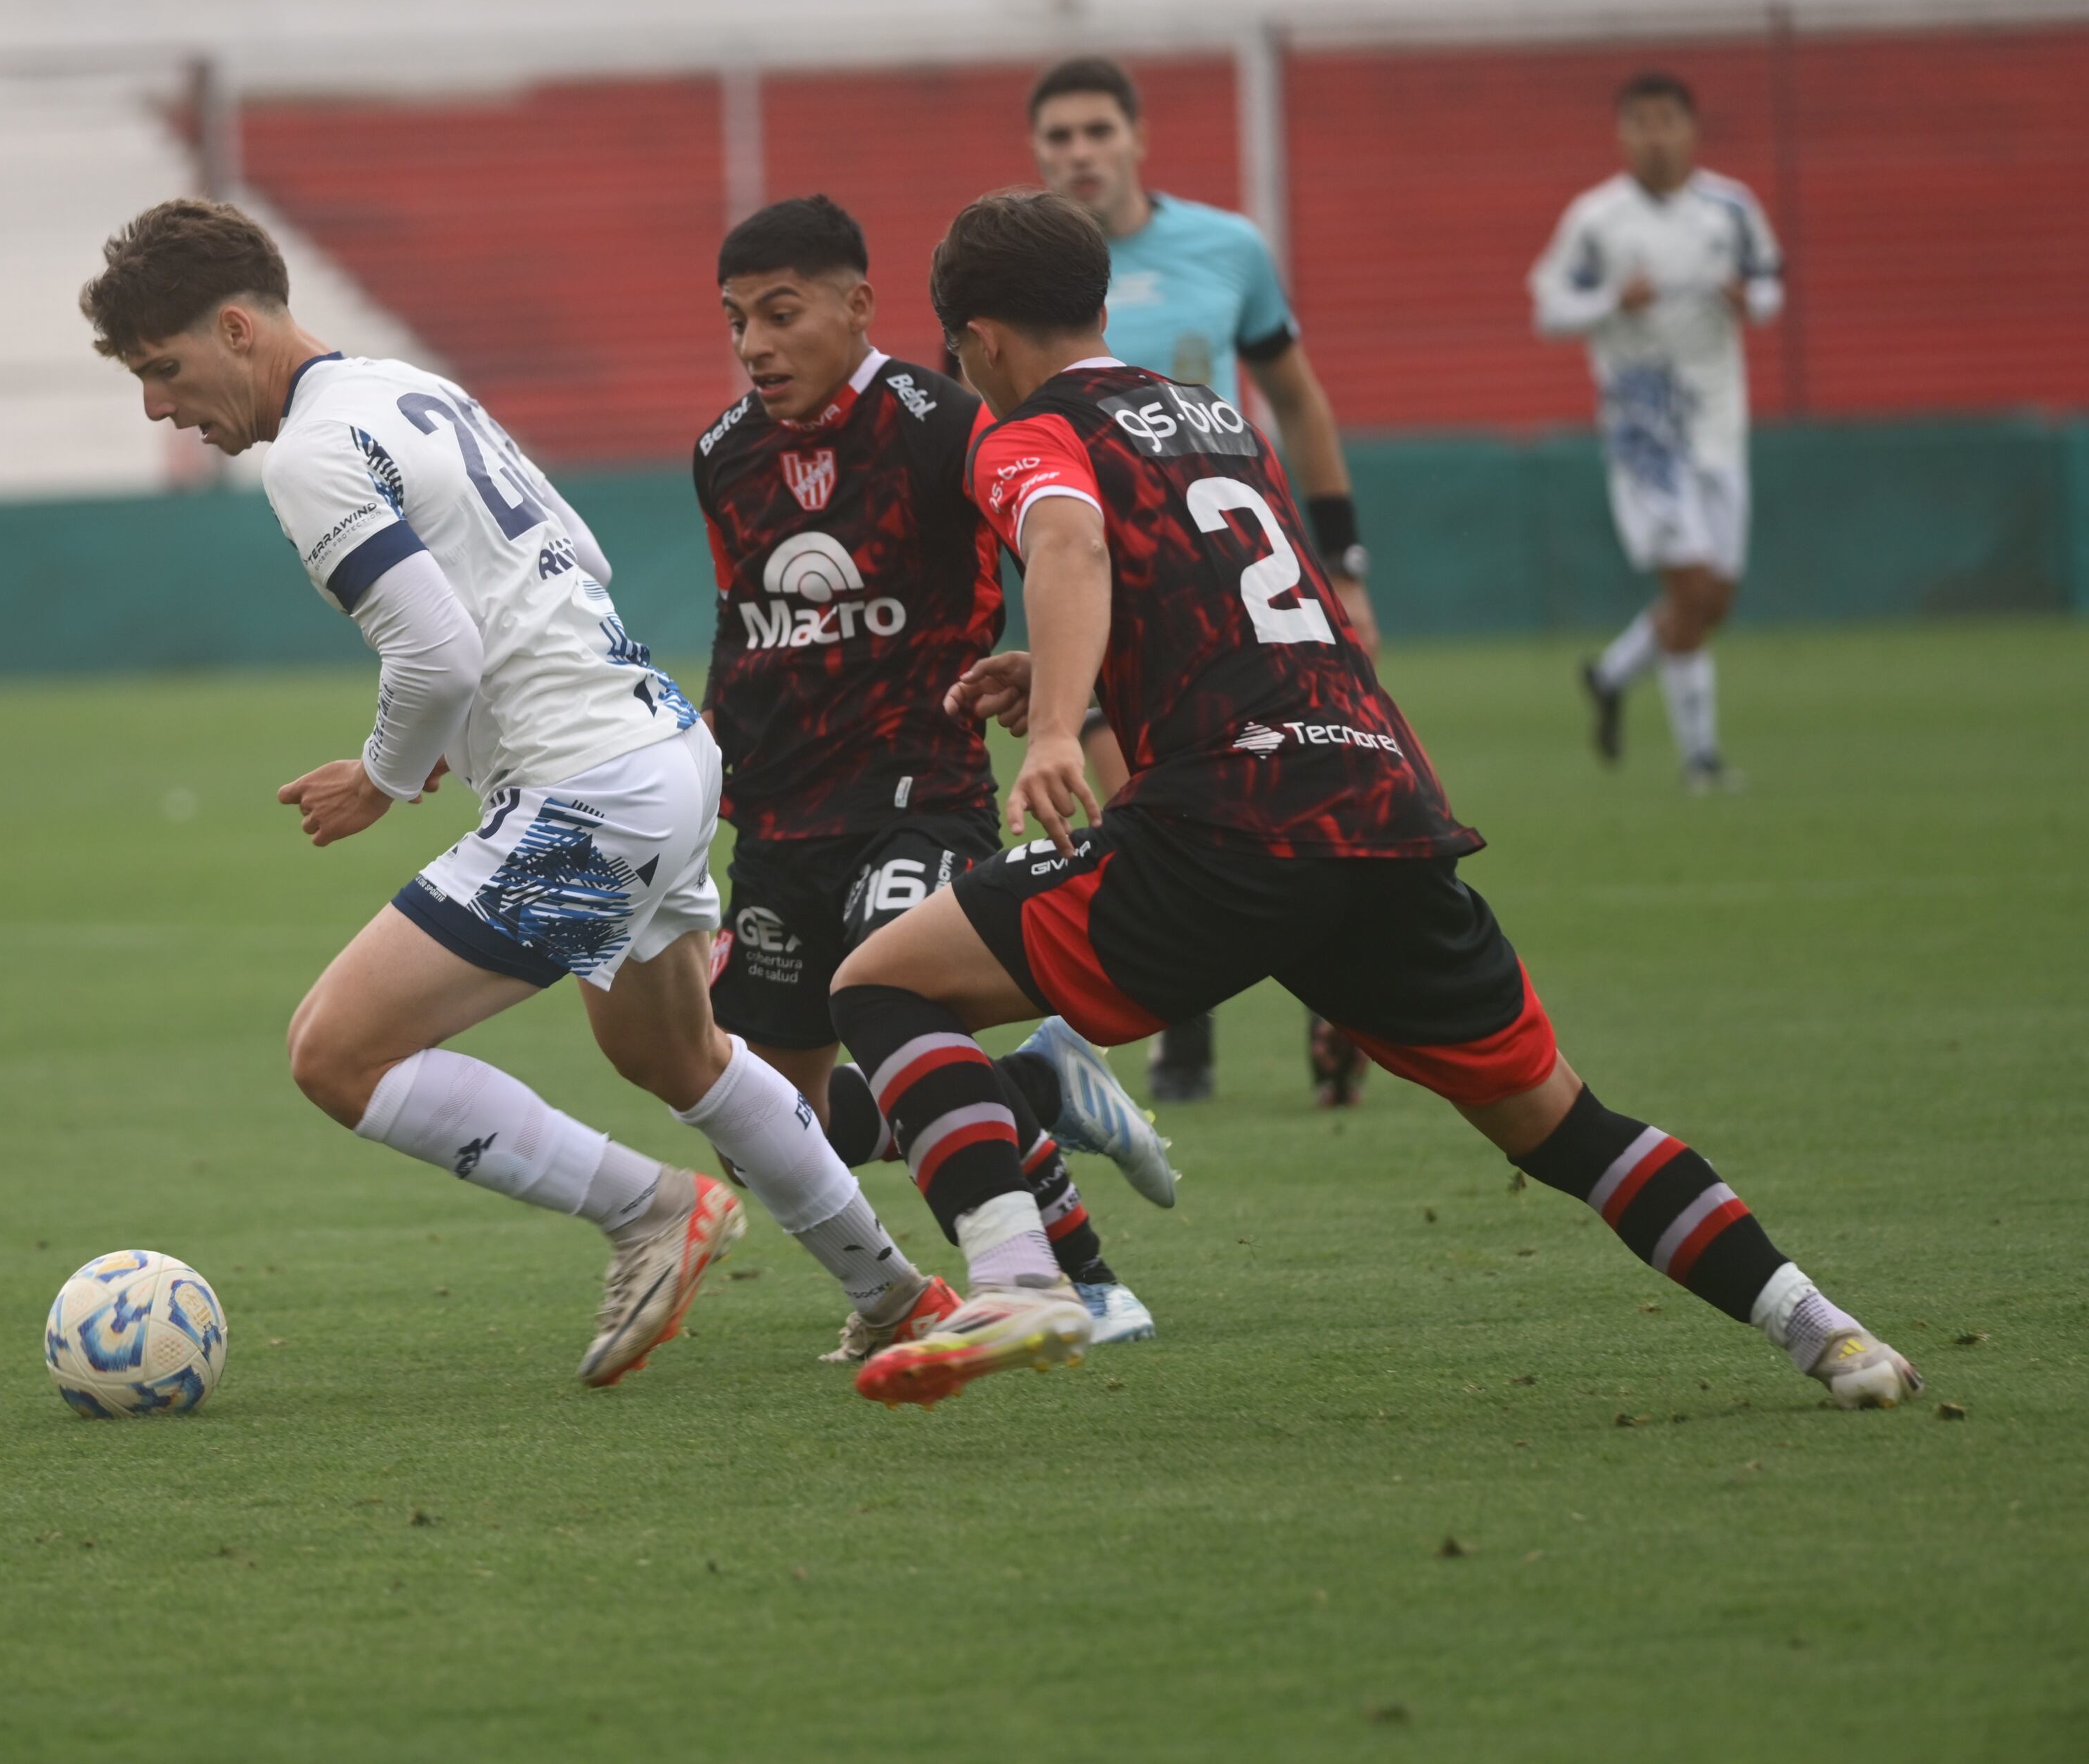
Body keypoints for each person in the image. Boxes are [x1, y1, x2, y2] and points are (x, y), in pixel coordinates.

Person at [818, 188, 1917, 1415]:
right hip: (1377, 804)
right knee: (1559, 1121)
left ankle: (1020, 1274)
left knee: (881, 979)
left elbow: (1069, 545)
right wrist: (1082, 668)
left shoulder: (1017, 431)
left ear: (974, 336)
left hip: (1225, 822)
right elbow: (1230, 594)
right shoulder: (1215, 417)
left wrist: (1061, 717)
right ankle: (1828, 1333)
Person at [81, 199, 938, 1387]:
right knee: (675, 1051)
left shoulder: (313, 452)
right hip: (657, 747)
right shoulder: (400, 386)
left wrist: (383, 774)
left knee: (335, 1052)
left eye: (162, 369)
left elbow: (435, 650)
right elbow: (569, 556)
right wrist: (479, 727)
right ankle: (893, 1289)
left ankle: (649, 1212)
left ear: (236, 327)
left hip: (585, 785)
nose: (157, 406)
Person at [693, 195, 1176, 1358]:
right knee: (767, 1119)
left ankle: (1083, 1278)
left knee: (901, 1019)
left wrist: (1089, 731)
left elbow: (1070, 563)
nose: (753, 343)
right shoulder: (722, 454)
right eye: (733, 321)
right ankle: (1043, 1090)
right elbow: (742, 632)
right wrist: (704, 770)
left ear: (858, 305)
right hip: (778, 819)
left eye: (779, 312)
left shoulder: (942, 422)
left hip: (918, 792)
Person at [1027, 55, 1378, 1105]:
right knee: (1135, 800)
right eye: (1059, 138)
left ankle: (1342, 992)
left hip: (1232, 581)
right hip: (1097, 581)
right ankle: (1183, 1033)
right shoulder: (1025, 279)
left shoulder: (1227, 249)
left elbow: (1298, 401)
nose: (1080, 154)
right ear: (1038, 153)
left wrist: (1345, 560)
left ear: (1138, 138)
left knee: (1289, 791)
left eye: (1097, 132)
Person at [1529, 72, 1780, 794]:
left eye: (1667, 120)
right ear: (1622, 133)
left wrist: (1748, 299)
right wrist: (1612, 300)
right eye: (1640, 122)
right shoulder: (1597, 219)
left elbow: (1770, 286)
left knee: (1714, 600)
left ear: (1691, 128)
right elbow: (1547, 307)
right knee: (1693, 585)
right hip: (1645, 434)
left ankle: (1610, 675)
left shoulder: (1730, 209)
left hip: (1718, 422)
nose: (1655, 134)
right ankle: (1700, 760)